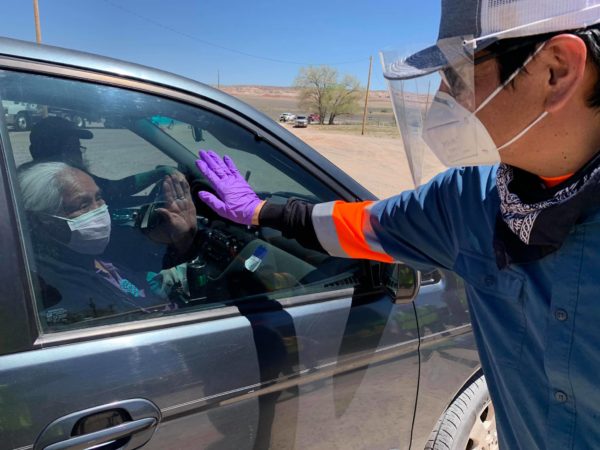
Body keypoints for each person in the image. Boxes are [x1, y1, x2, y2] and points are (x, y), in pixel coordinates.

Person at [195, 2, 600, 449]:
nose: (443, 98)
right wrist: (261, 212)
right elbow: (363, 226)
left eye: (459, 75)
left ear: (557, 71)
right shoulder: (470, 199)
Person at [19, 161, 197, 329]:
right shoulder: (60, 287)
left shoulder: (85, 254)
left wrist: (182, 239)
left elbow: (137, 256)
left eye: (99, 197)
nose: (100, 210)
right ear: (43, 221)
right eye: (83, 205)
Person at [24, 116, 176, 202]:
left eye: (76, 148)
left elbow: (113, 189)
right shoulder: (42, 190)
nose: (74, 155)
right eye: (64, 148)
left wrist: (159, 173)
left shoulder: (18, 181)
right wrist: (160, 173)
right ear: (35, 152)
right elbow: (114, 190)